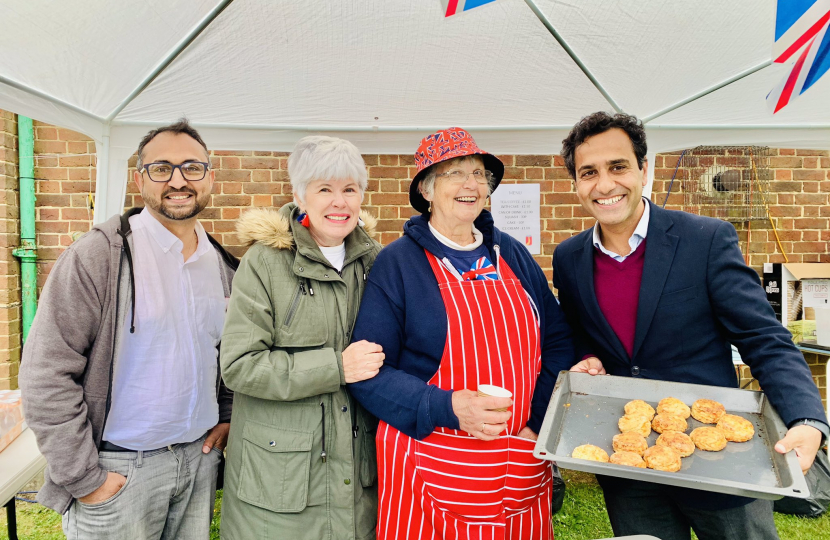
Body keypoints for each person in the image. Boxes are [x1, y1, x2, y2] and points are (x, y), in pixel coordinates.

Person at [553, 111, 830, 540]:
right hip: (629, 464)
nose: (604, 184)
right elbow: (576, 331)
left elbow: (763, 337)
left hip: (718, 460)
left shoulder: (705, 240)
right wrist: (586, 356)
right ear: (576, 183)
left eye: (618, 166)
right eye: (589, 172)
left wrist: (808, 419)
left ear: (643, 170)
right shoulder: (569, 258)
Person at [349, 127, 575, 539]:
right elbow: (369, 375)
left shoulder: (512, 254)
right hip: (431, 460)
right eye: (455, 173)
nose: (471, 184)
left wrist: (535, 422)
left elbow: (558, 342)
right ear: (427, 190)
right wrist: (449, 407)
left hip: (517, 457)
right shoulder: (398, 264)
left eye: (479, 173)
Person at [20, 119, 238, 539]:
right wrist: (86, 479)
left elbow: (228, 355)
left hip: (197, 463)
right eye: (162, 168)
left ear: (210, 176)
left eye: (192, 167)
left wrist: (227, 415)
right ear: (140, 179)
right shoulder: (99, 256)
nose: (178, 180)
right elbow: (45, 372)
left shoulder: (224, 266)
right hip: (118, 471)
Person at [218, 135, 382, 540]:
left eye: (349, 189)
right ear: (300, 196)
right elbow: (239, 366)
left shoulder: (375, 261)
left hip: (356, 476)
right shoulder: (265, 263)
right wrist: (336, 367)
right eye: (324, 189)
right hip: (280, 482)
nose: (339, 202)